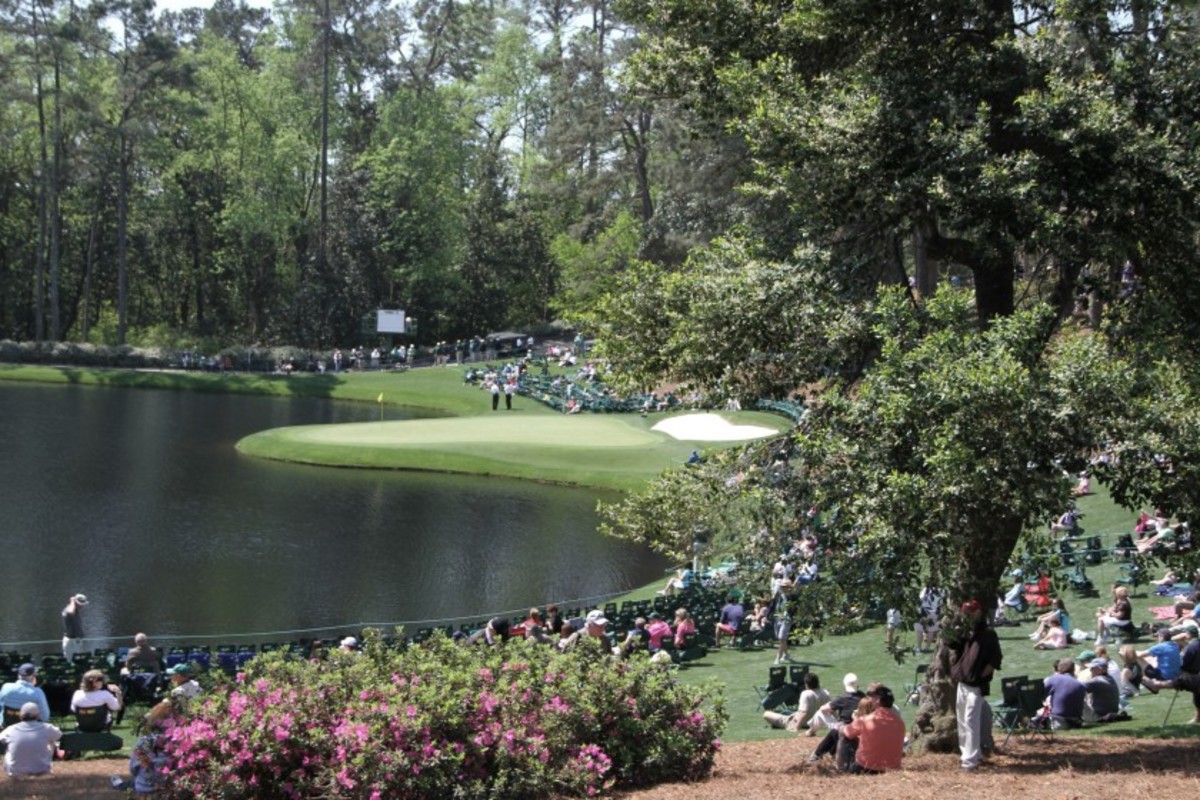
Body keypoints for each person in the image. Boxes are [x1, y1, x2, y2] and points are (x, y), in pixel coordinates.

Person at [950, 599, 1001, 771]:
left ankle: (970, 761)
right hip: (962, 683)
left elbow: (994, 661)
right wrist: (956, 631)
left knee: (971, 721)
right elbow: (953, 645)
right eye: (966, 612)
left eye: (971, 612)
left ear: (979, 612)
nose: (968, 615)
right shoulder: (966, 633)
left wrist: (981, 677)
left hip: (976, 685)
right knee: (962, 721)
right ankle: (970, 754)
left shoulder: (988, 634)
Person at [840, 685, 905, 774]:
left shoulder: (866, 720)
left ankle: (843, 769)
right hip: (892, 768)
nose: (870, 699)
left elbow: (846, 732)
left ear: (878, 700)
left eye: (872, 697)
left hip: (866, 768)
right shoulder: (900, 723)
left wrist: (841, 726)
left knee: (846, 736)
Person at [1143, 628, 1200, 723]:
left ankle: (1156, 685)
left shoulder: (1191, 647)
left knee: (1178, 683)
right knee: (1197, 697)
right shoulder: (1196, 644)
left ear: (1189, 635)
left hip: (1189, 674)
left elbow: (1185, 663)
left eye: (1186, 634)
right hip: (1195, 673)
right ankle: (1197, 718)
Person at [807, 673, 865, 761]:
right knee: (836, 729)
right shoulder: (863, 696)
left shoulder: (843, 698)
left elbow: (823, 710)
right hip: (860, 727)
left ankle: (817, 753)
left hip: (846, 727)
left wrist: (831, 706)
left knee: (833, 727)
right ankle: (831, 752)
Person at [0, 703, 61, 777]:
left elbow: (1, 739)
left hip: (15, 772)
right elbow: (58, 735)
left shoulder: (11, 729)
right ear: (38, 715)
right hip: (41, 770)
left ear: (20, 715)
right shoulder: (47, 728)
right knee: (52, 741)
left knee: (8, 745)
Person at [764, 672, 829, 732]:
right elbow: (831, 709)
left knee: (766, 714)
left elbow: (804, 712)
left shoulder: (806, 694)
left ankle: (778, 724)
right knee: (784, 712)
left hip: (802, 723)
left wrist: (796, 727)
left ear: (806, 684)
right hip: (818, 722)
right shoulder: (825, 693)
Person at [1042, 657, 1086, 729]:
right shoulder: (1079, 684)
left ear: (1058, 669)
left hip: (1059, 722)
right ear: (1074, 669)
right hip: (1077, 722)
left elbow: (1040, 695)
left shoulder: (1054, 679)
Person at [914, 586, 944, 653]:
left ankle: (918, 647)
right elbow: (942, 602)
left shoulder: (925, 589)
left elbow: (920, 598)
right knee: (931, 631)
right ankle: (927, 648)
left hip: (924, 611)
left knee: (919, 630)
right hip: (935, 612)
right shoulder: (941, 590)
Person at [62, 593, 89, 660]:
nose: (82, 606)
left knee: (79, 660)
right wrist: (72, 601)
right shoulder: (68, 610)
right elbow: (71, 612)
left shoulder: (76, 611)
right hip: (70, 641)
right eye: (81, 604)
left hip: (77, 640)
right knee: (70, 660)